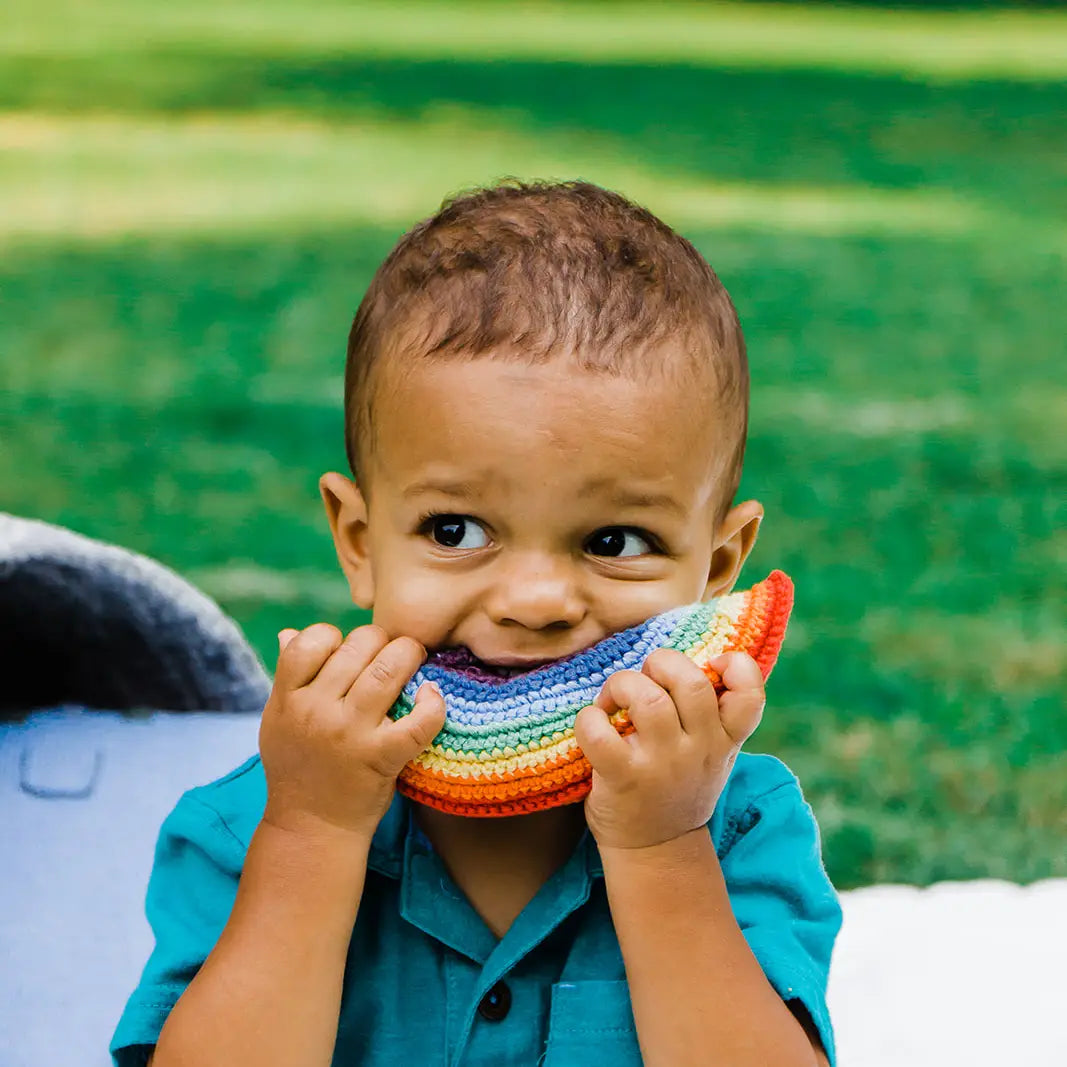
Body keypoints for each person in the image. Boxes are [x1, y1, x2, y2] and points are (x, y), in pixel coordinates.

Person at [111, 180, 841, 1066]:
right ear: (359, 541)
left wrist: (662, 849)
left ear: (717, 567)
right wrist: (312, 839)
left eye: (614, 541)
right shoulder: (251, 822)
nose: (534, 600)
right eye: (454, 531)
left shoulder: (737, 827)